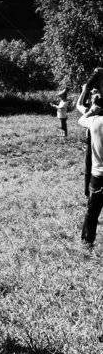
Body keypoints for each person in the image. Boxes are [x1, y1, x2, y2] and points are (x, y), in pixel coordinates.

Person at [78, 79, 103, 245]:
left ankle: (87, 241)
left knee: (92, 211)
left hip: (98, 175)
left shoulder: (94, 122)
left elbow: (80, 120)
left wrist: (91, 111)